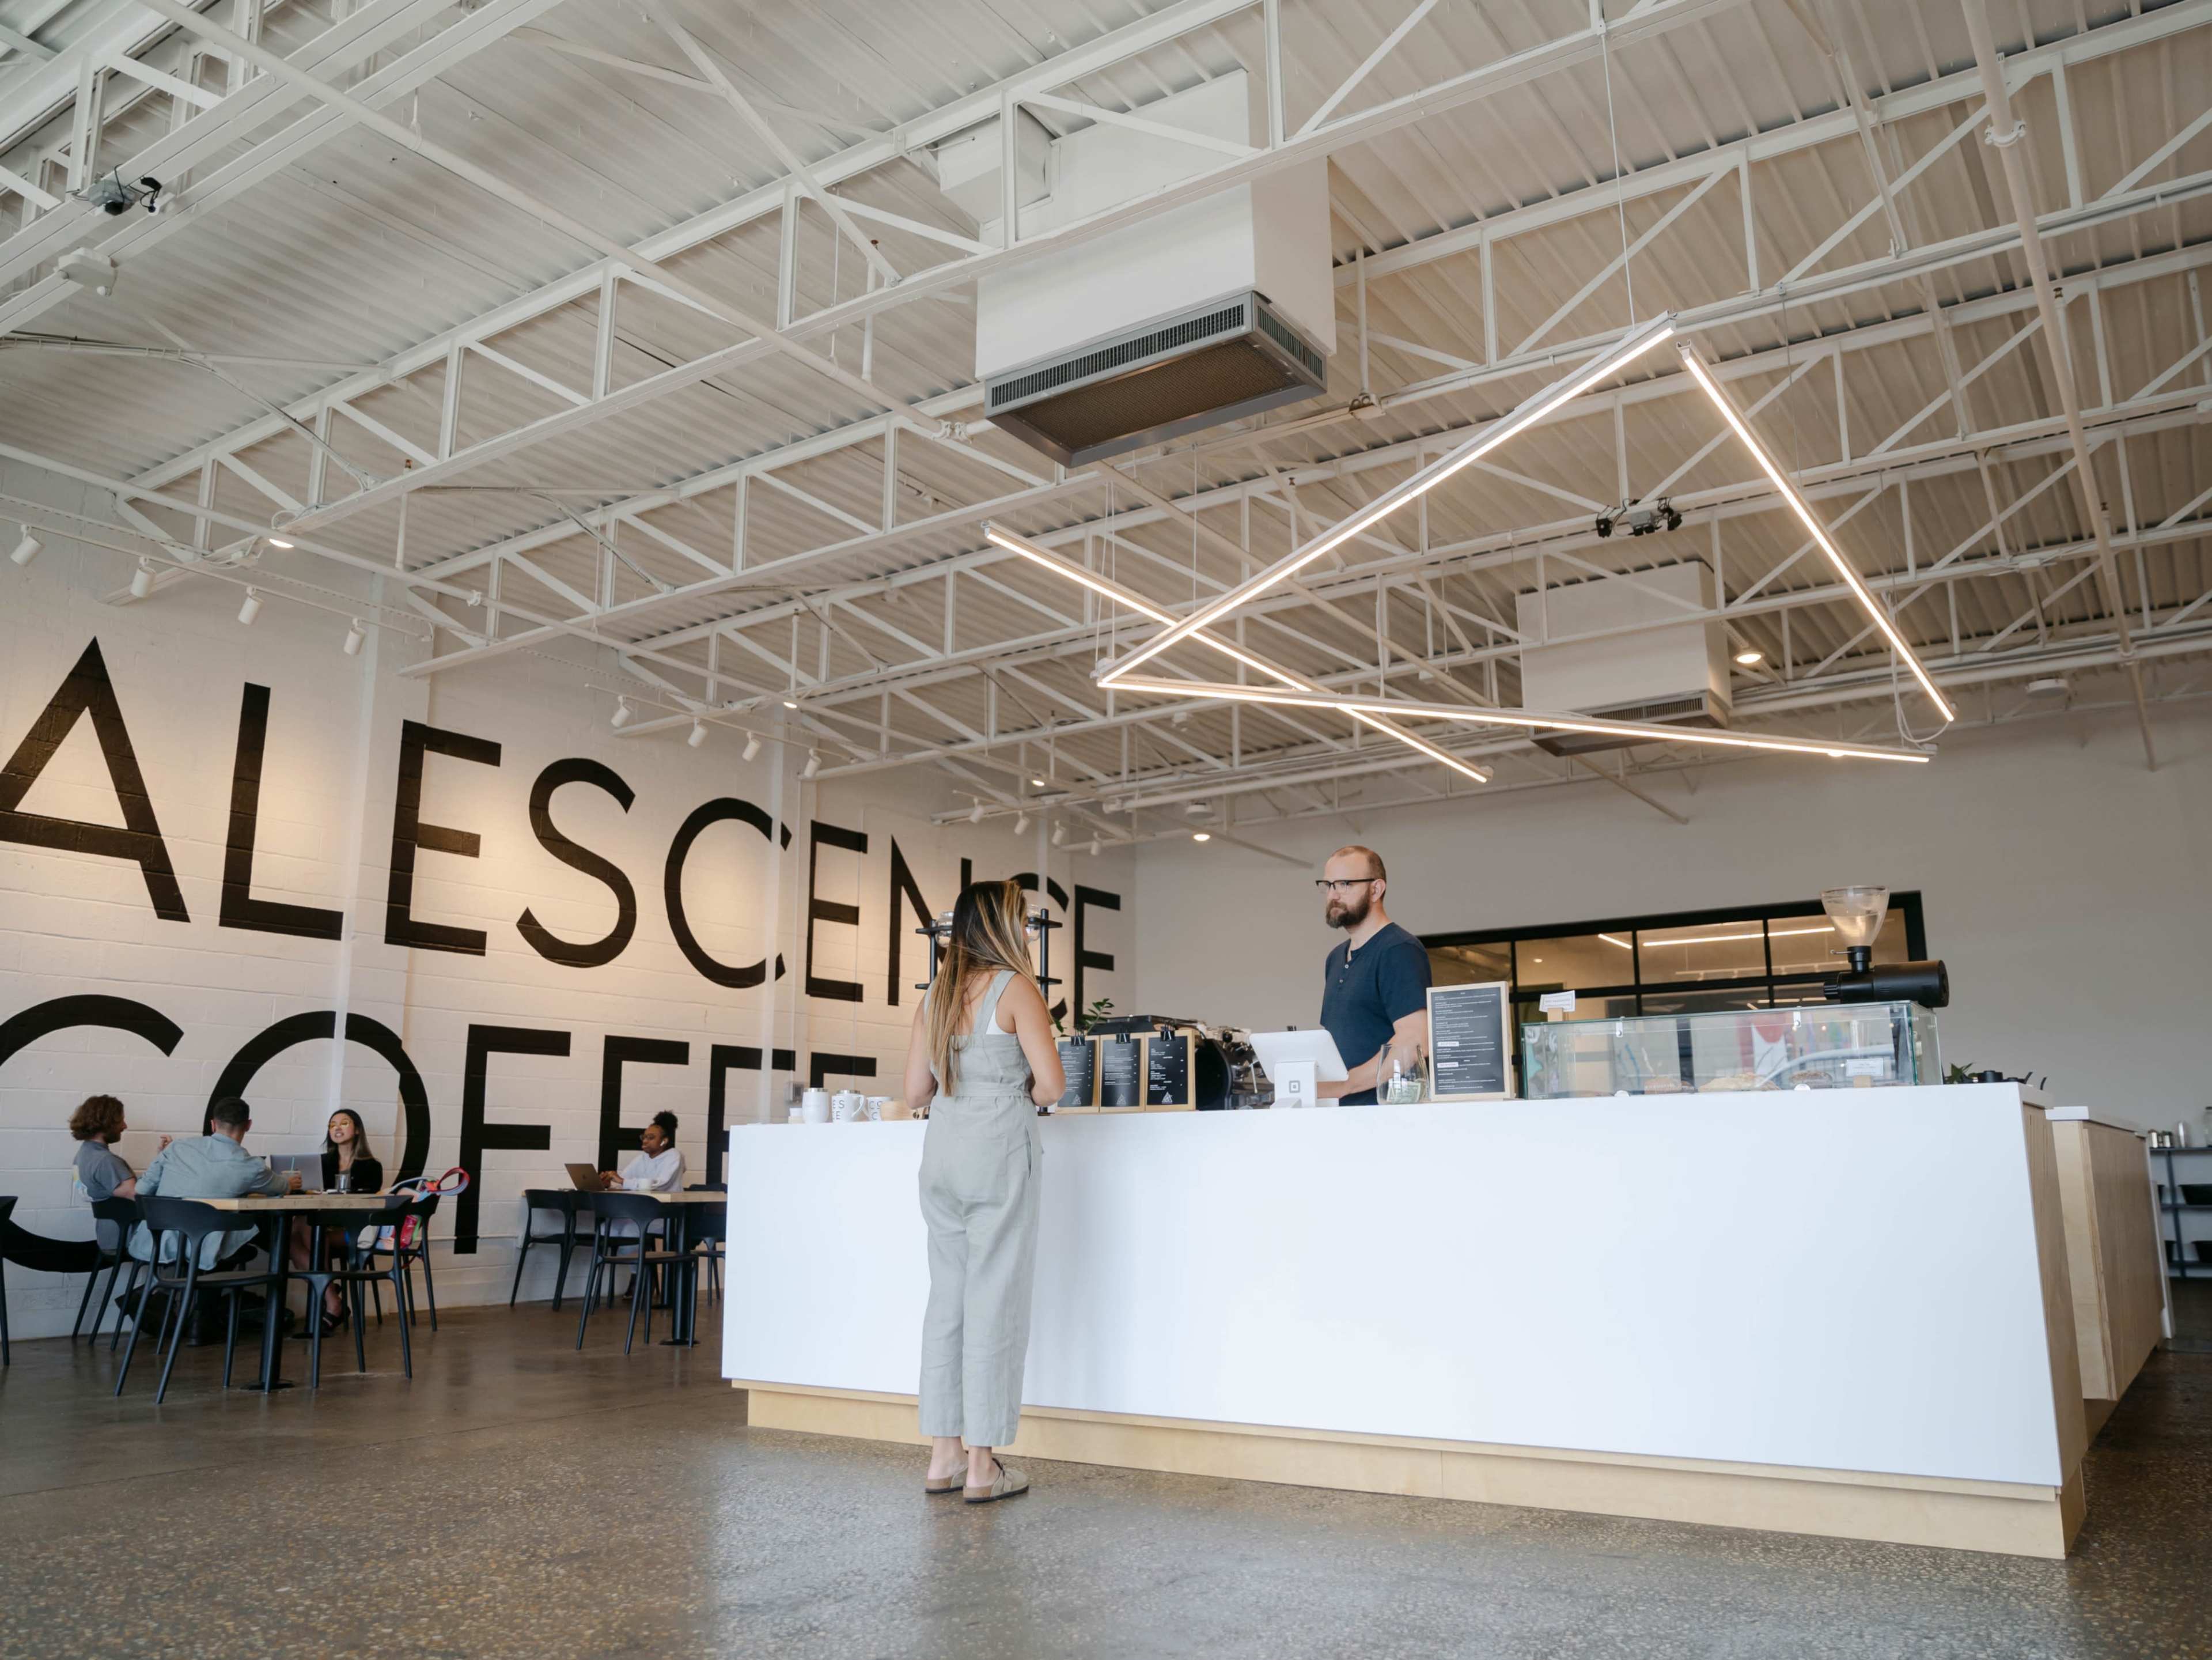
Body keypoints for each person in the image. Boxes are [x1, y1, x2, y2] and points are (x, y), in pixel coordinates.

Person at [902, 879, 1065, 1504]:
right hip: (997, 1151)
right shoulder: (1016, 988)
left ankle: (941, 1454)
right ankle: (981, 1464)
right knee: (994, 1299)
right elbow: (1050, 1086)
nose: (1028, 932)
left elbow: (916, 1092)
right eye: (1022, 921)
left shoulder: (935, 996)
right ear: (999, 926)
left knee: (948, 1300)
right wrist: (1010, 1093)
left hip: (942, 1152)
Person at [1313, 845, 1433, 1104]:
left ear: (1376, 889)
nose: (1334, 894)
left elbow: (1414, 1039)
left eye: (1345, 884)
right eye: (1329, 884)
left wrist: (1344, 1086)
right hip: (1340, 1115)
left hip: (1385, 1118)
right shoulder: (1335, 958)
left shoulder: (1399, 950)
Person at [129, 1096, 296, 1270]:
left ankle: (169, 1291)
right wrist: (290, 1181)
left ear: (213, 1124)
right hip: (206, 1250)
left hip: (157, 1243)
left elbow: (141, 1189)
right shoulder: (252, 1166)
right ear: (248, 1125)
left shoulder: (175, 1148)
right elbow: (283, 1187)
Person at [290, 1109, 385, 1333]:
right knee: (292, 1235)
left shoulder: (371, 1166)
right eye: (332, 1124)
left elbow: (367, 1203)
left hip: (353, 1229)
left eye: (344, 1123)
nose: (337, 1128)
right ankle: (333, 1297)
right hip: (324, 1225)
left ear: (358, 1130)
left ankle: (331, 1300)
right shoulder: (321, 1163)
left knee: (307, 1226)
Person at [69, 1095, 169, 1254]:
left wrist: (160, 1158)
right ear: (106, 1123)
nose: (125, 1126)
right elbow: (141, 1195)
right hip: (127, 1240)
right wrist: (166, 1159)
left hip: (109, 1238)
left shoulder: (83, 1155)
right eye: (120, 1121)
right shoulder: (106, 1162)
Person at [600, 1111, 685, 1192]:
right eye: (644, 1137)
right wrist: (609, 1184)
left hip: (668, 1206)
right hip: (645, 1204)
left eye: (651, 1138)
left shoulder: (674, 1155)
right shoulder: (642, 1158)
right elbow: (624, 1184)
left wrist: (622, 1181)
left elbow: (659, 1186)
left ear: (664, 1141)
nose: (645, 1141)